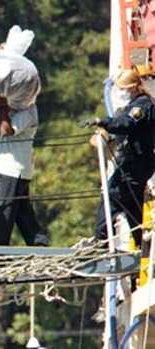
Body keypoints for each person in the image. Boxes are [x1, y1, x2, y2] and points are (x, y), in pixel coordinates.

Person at [78, 69, 155, 247]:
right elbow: (122, 125)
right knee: (131, 204)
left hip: (137, 163)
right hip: (134, 162)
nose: (121, 93)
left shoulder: (142, 106)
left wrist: (101, 121)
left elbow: (126, 124)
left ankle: (100, 241)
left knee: (112, 196)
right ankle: (142, 244)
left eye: (123, 89)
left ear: (134, 87)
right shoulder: (136, 104)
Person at [0, 95, 49, 246]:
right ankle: (39, 245)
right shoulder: (19, 111)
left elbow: (6, 130)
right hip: (14, 168)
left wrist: (3, 105)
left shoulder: (26, 113)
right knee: (23, 213)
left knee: (5, 211)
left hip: (13, 168)